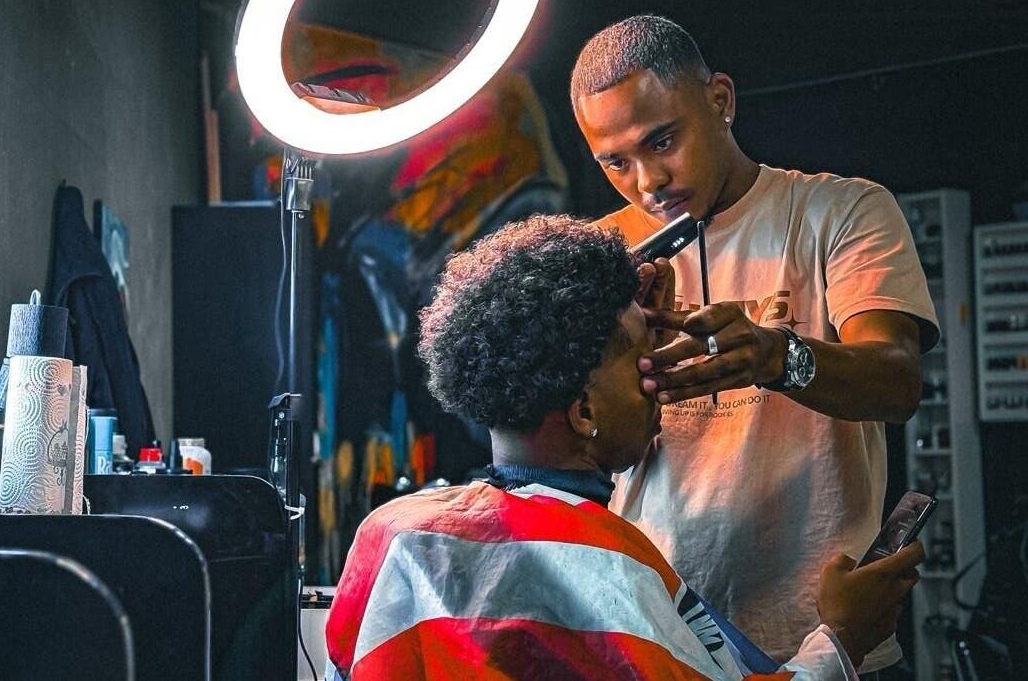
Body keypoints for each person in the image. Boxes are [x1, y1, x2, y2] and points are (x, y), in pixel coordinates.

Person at [325, 215, 923, 680]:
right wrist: (843, 636)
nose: (657, 376)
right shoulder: (604, 564)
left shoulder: (391, 535)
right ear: (585, 411)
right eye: (641, 355)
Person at [569, 15, 939, 671]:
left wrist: (779, 357)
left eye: (662, 141)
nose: (648, 181)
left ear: (720, 101)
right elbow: (579, 449)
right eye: (616, 162)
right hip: (665, 638)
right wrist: (623, 364)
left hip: (830, 634)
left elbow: (897, 381)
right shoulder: (604, 256)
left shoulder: (842, 211)